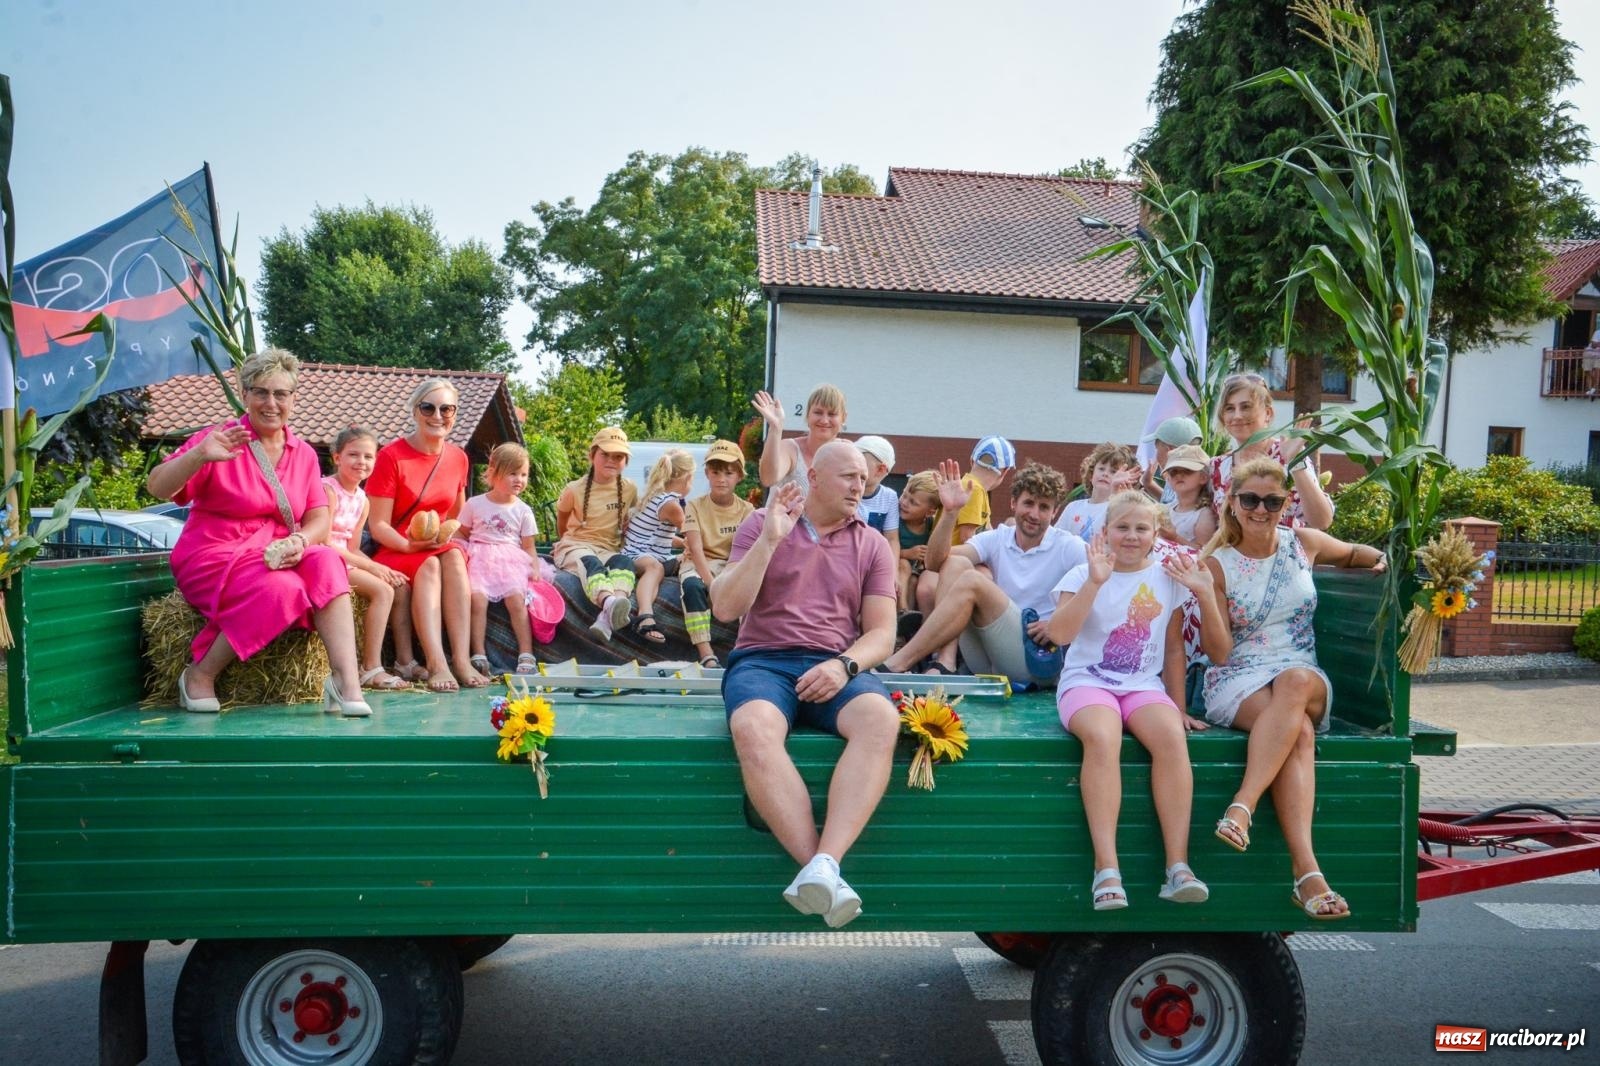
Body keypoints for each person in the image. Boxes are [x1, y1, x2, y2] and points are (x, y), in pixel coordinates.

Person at [712, 440, 899, 929]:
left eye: (864, 478)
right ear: (813, 477)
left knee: (881, 719)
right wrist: (770, 540)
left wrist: (844, 665)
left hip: (835, 664)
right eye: (849, 477)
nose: (861, 486)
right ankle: (819, 870)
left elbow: (882, 633)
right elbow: (725, 608)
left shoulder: (873, 543)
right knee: (752, 728)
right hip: (763, 661)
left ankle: (824, 865)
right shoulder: (760, 522)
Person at [1200, 457, 1388, 921]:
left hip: (1301, 673)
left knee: (1296, 682)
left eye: (1272, 500)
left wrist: (1380, 559)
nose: (1260, 509)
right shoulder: (1217, 564)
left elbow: (1352, 553)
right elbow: (1219, 654)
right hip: (1239, 676)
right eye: (1250, 499)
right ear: (1234, 502)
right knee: (1299, 733)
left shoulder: (1303, 542)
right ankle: (1307, 875)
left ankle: (1243, 805)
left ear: (1287, 503)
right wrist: (1205, 594)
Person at [146, 347, 371, 717]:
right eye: (261, 392)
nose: (271, 402)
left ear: (293, 399)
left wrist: (300, 540)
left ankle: (345, 682)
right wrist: (199, 455)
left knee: (328, 559)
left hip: (278, 549)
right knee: (283, 589)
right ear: (245, 394)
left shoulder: (304, 454)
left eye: (281, 393)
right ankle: (199, 675)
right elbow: (157, 486)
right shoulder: (219, 439)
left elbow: (319, 521)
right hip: (214, 553)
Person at [1047, 491, 1230, 909]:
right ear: (1105, 531)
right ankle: (1106, 869)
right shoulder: (1082, 573)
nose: (1131, 536)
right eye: (1122, 527)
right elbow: (1060, 635)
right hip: (1087, 681)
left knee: (1170, 739)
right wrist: (1095, 582)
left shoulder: (1167, 578)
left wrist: (1178, 707)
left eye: (1141, 528)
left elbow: (1172, 650)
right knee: (1103, 736)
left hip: (1143, 686)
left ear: (1155, 534)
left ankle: (1177, 867)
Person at [880, 461, 1084, 686]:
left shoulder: (1068, 546)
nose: (1034, 514)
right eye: (1029, 503)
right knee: (956, 563)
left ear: (1055, 512)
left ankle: (899, 661)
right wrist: (950, 513)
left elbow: (1103, 584)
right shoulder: (998, 538)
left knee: (973, 580)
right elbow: (935, 562)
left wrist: (1060, 622)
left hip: (1036, 658)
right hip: (989, 658)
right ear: (1013, 503)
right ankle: (945, 661)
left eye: (1044, 507)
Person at [366, 378, 485, 693]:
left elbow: (456, 519)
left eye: (446, 408)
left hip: (434, 545)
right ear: (415, 411)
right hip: (396, 547)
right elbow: (377, 525)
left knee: (456, 557)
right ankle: (437, 662)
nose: (437, 415)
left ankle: (460, 658)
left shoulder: (459, 457)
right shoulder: (391, 457)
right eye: (428, 407)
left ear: (455, 414)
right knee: (430, 566)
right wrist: (410, 544)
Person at [321, 425, 409, 691]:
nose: (362, 462)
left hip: (345, 557)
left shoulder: (362, 499)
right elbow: (325, 541)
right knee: (382, 592)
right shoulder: (328, 490)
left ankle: (392, 662)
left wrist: (380, 568)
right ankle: (370, 667)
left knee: (394, 584)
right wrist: (370, 566)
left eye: (368, 457)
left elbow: (354, 546)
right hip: (323, 558)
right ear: (337, 457)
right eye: (353, 455)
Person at [1208, 373, 1334, 530]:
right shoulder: (1217, 467)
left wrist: (1294, 460)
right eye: (1230, 408)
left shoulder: (1287, 455)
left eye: (1246, 407)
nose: (1237, 416)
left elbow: (1322, 521)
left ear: (1268, 413)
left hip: (1283, 553)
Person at [458, 442, 542, 678]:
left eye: (524, 474)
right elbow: (462, 532)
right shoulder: (475, 503)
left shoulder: (523, 510)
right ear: (493, 472)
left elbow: (529, 546)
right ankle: (478, 653)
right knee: (478, 600)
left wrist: (534, 566)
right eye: (513, 473)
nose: (519, 479)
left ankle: (526, 653)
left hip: (509, 559)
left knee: (517, 600)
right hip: (480, 557)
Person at [553, 427, 641, 640]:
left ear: (626, 461)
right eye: (605, 454)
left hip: (608, 549)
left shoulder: (630, 489)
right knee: (591, 563)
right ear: (592, 455)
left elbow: (631, 516)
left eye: (618, 456)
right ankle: (608, 603)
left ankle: (606, 618)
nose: (611, 460)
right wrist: (566, 544)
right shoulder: (574, 489)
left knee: (624, 563)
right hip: (576, 546)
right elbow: (562, 523)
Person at [681, 440, 755, 669]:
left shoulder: (747, 510)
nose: (721, 478)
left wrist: (730, 583)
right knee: (692, 587)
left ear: (739, 476)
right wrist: (713, 585)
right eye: (715, 472)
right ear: (707, 474)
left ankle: (745, 647)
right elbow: (695, 548)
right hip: (699, 562)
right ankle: (705, 652)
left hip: (732, 564)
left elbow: (744, 553)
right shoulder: (694, 506)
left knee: (750, 591)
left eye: (728, 472)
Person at [623, 448, 693, 646]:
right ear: (687, 478)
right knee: (656, 567)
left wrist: (683, 544)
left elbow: (659, 537)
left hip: (640, 549)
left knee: (669, 562)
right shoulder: (672, 505)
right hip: (637, 555)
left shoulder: (656, 495)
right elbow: (694, 536)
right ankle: (645, 615)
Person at [752, 383, 846, 500]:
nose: (824, 420)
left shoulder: (848, 452)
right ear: (807, 416)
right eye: (818, 412)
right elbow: (768, 478)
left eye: (832, 414)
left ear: (843, 419)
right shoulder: (790, 449)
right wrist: (775, 428)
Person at [1056, 442, 1142, 541]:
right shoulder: (1073, 507)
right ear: (1091, 474)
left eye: (1113, 472)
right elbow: (1057, 540)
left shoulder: (1120, 510)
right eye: (1101, 469)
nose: (1105, 474)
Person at [952, 435, 1015, 544]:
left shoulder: (977, 489)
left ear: (972, 461)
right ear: (1005, 471)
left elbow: (988, 530)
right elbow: (967, 538)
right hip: (956, 558)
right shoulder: (973, 490)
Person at [896, 470, 938, 613]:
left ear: (929, 512)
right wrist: (907, 553)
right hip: (895, 567)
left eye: (913, 502)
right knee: (904, 565)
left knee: (914, 580)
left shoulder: (931, 526)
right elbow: (884, 548)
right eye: (904, 495)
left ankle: (911, 618)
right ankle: (902, 611)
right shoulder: (894, 520)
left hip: (915, 573)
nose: (904, 503)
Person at [853, 435, 900, 560]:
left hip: (872, 559)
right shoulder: (842, 490)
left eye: (859, 461)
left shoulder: (889, 497)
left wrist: (892, 574)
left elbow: (892, 538)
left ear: (880, 470)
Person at [1162, 444, 1217, 549]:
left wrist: (1175, 538)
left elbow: (1204, 552)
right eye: (1173, 472)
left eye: (1187, 470)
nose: (1179, 475)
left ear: (1203, 477)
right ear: (1168, 478)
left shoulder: (1204, 513)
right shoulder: (1166, 509)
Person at [1141, 415, 1203, 503]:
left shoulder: (1186, 482)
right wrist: (1149, 484)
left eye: (1157, 449)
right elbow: (1170, 503)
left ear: (1169, 450)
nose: (1156, 455)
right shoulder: (1176, 474)